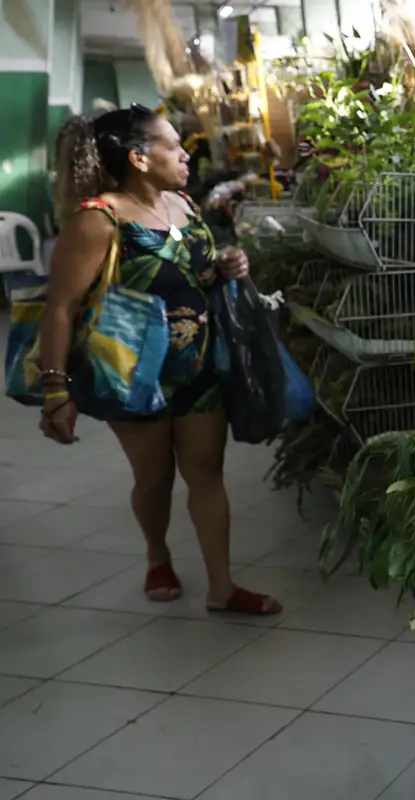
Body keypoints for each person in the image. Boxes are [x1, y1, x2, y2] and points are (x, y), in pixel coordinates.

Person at [36, 104, 281, 615]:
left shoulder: (184, 205)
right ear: (139, 158)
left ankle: (221, 587)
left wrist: (229, 265)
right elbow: (60, 307)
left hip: (199, 367)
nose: (185, 153)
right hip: (132, 375)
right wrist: (56, 390)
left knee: (207, 472)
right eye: (173, 145)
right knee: (154, 479)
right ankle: (157, 555)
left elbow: (195, 274)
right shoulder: (98, 218)